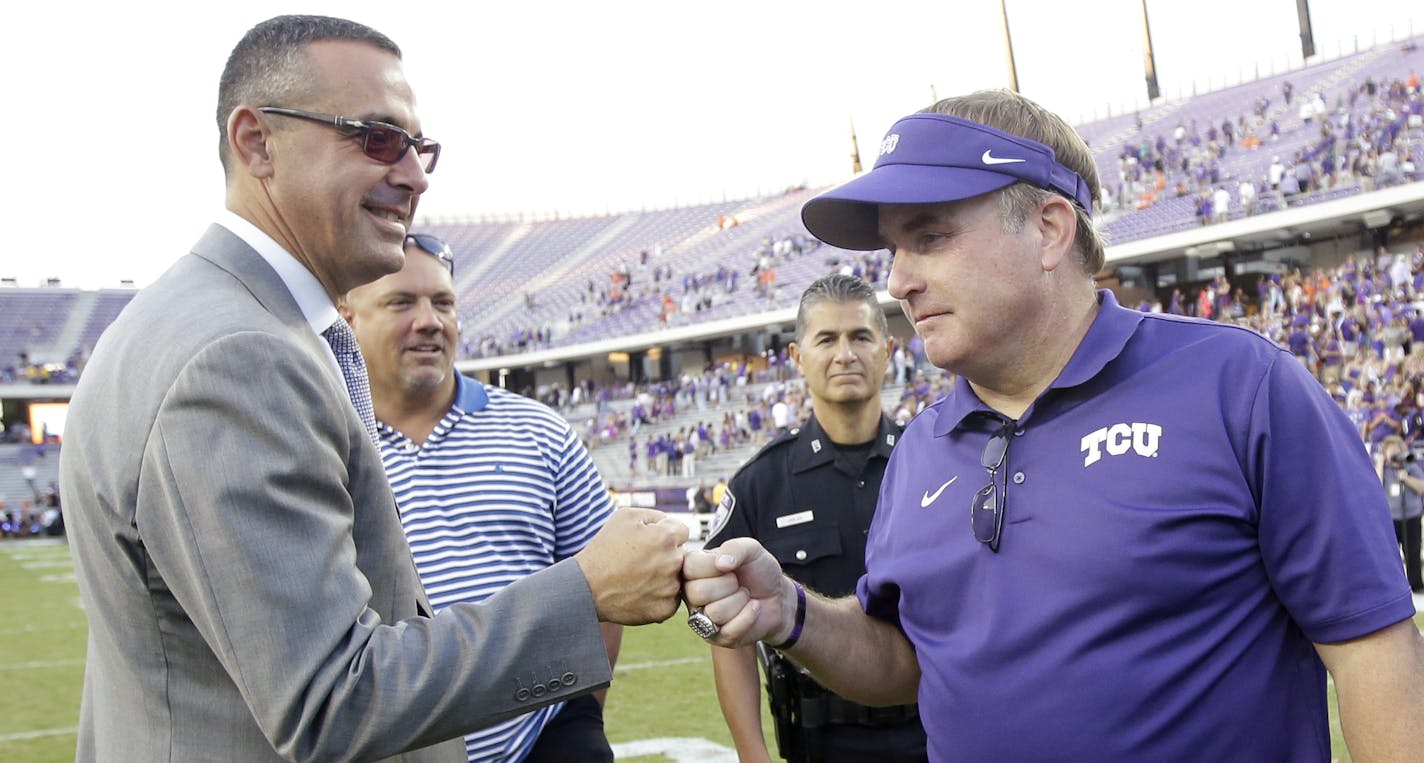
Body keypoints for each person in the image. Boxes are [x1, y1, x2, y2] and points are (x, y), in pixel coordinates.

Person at [683, 89, 1424, 761]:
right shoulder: (920, 449)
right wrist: (792, 610)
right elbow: (907, 658)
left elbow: (1373, 654)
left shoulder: (1241, 389)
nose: (898, 280)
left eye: (929, 236)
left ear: (1048, 229)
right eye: (893, 249)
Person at [59, 15, 687, 762]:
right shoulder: (238, 355)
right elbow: (332, 700)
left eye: (421, 148)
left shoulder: (220, 322)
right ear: (256, 141)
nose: (416, 175)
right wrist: (584, 593)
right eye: (376, 137)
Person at [340, 233, 623, 763]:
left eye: (443, 302)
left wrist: (579, 711)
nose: (430, 320)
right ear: (347, 315)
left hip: (543, 742)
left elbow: (605, 582)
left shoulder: (540, 432)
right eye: (402, 302)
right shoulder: (325, 444)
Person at [705, 274, 925, 763]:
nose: (845, 353)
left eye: (861, 336)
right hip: (818, 742)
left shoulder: (933, 463)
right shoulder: (758, 486)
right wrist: (750, 752)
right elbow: (728, 636)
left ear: (888, 350)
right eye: (826, 338)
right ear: (796, 356)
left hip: (935, 735)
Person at [1378, 435, 1424, 592]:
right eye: (1391, 448)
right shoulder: (1383, 469)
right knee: (1389, 554)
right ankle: (1391, 587)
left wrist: (1406, 478)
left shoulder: (1410, 466)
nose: (1395, 452)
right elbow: (1375, 487)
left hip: (1411, 516)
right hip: (1390, 518)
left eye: (1397, 448)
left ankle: (1416, 584)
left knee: (1412, 552)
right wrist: (1380, 464)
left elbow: (1421, 487)